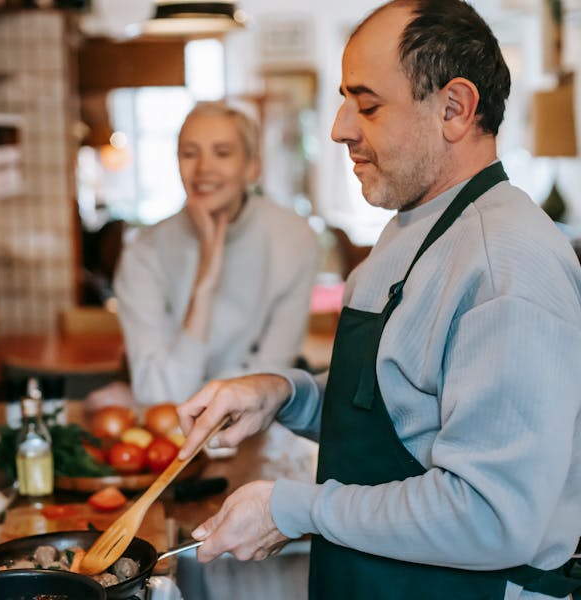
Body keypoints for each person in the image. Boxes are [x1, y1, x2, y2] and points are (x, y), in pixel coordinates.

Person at [176, 1, 581, 598]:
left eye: (367, 105)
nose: (339, 127)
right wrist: (285, 395)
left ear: (454, 108)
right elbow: (401, 413)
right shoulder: (410, 227)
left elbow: (491, 516)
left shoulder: (506, 263)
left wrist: (296, 509)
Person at [110, 101, 319, 406]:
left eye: (222, 153)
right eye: (189, 153)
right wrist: (204, 283)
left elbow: (268, 378)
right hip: (172, 424)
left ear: (253, 167)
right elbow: (159, 395)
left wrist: (195, 392)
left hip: (256, 419)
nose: (204, 168)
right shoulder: (144, 252)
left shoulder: (294, 239)